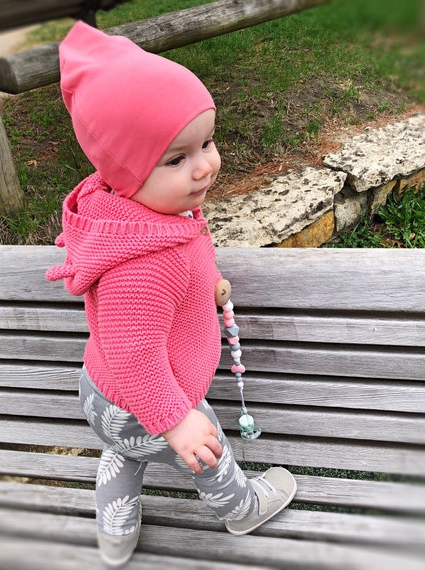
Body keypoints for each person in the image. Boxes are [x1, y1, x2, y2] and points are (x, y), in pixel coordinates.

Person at [46, 21, 297, 568]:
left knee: (124, 453)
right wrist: (176, 419)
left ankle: (115, 531)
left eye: (206, 142)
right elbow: (136, 352)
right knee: (207, 451)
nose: (204, 165)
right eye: (176, 159)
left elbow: (186, 264)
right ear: (128, 172)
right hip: (151, 399)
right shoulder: (144, 264)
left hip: (105, 395)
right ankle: (243, 507)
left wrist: (208, 287)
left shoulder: (137, 213)